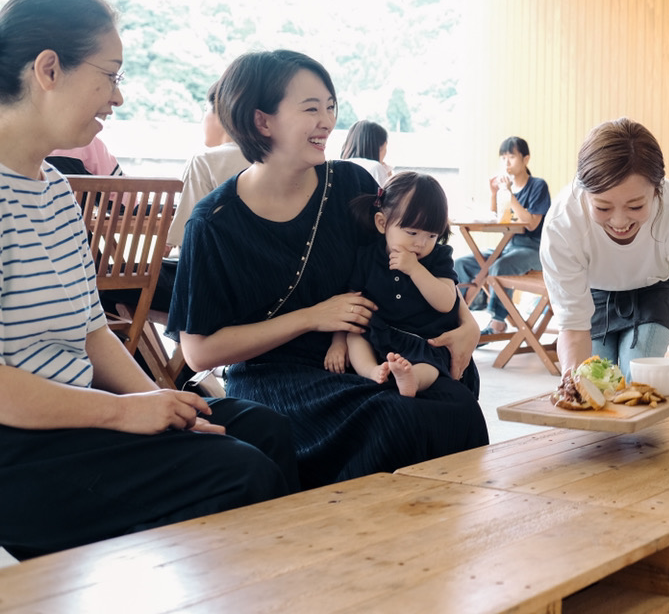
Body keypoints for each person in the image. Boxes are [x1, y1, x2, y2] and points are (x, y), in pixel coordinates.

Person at [0, 0, 298, 559]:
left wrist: (164, 408)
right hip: (19, 445)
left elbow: (94, 335)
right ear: (48, 70)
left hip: (74, 416)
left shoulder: (57, 190)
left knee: (264, 430)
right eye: (110, 75)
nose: (117, 97)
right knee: (239, 474)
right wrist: (123, 412)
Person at [168, 49, 488, 490]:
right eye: (311, 108)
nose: (327, 121)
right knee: (395, 415)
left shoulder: (352, 186)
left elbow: (423, 255)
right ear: (263, 121)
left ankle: (435, 537)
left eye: (331, 106)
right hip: (275, 376)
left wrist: (468, 324)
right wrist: (313, 317)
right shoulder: (215, 222)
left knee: (454, 389)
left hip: (364, 350)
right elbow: (199, 352)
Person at [540, 118, 669, 415]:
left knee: (638, 379)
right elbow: (572, 327)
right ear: (584, 193)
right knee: (596, 384)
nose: (620, 222)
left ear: (657, 190)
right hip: (595, 292)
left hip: (655, 288)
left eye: (635, 206)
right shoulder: (563, 222)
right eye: (603, 208)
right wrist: (572, 382)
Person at [323, 171, 462, 398]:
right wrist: (337, 342)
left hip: (422, 339)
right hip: (380, 332)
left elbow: (446, 302)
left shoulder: (438, 257)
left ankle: (412, 380)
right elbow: (350, 305)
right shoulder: (368, 257)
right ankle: (372, 371)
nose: (421, 243)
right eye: (412, 232)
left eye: (431, 236)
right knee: (355, 336)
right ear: (382, 223)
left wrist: (415, 270)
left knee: (433, 365)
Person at [454, 136, 552, 336]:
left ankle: (498, 322)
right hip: (508, 247)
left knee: (500, 267)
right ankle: (458, 317)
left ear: (525, 159)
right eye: (503, 158)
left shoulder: (537, 186)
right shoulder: (507, 190)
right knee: (462, 263)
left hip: (534, 249)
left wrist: (509, 194)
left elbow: (532, 223)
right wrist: (493, 194)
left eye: (512, 157)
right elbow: (498, 220)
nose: (506, 163)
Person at [166, 81, 251, 249]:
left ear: (221, 113)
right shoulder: (271, 160)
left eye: (205, 110)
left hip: (214, 266)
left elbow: (186, 236)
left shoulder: (203, 160)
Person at [340, 119, 391, 186]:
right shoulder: (375, 168)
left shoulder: (339, 166)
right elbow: (389, 196)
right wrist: (389, 177)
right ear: (380, 147)